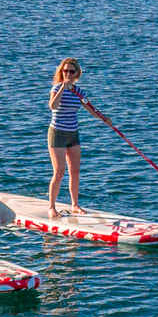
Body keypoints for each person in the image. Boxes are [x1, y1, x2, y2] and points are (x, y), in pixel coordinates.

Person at [46, 56, 93, 217]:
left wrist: (105, 119)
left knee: (75, 171)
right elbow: (52, 105)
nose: (68, 74)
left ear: (76, 74)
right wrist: (63, 88)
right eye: (65, 71)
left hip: (73, 134)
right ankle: (51, 207)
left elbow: (90, 108)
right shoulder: (56, 88)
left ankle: (75, 205)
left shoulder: (79, 92)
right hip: (57, 134)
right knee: (59, 171)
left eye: (71, 71)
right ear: (61, 72)